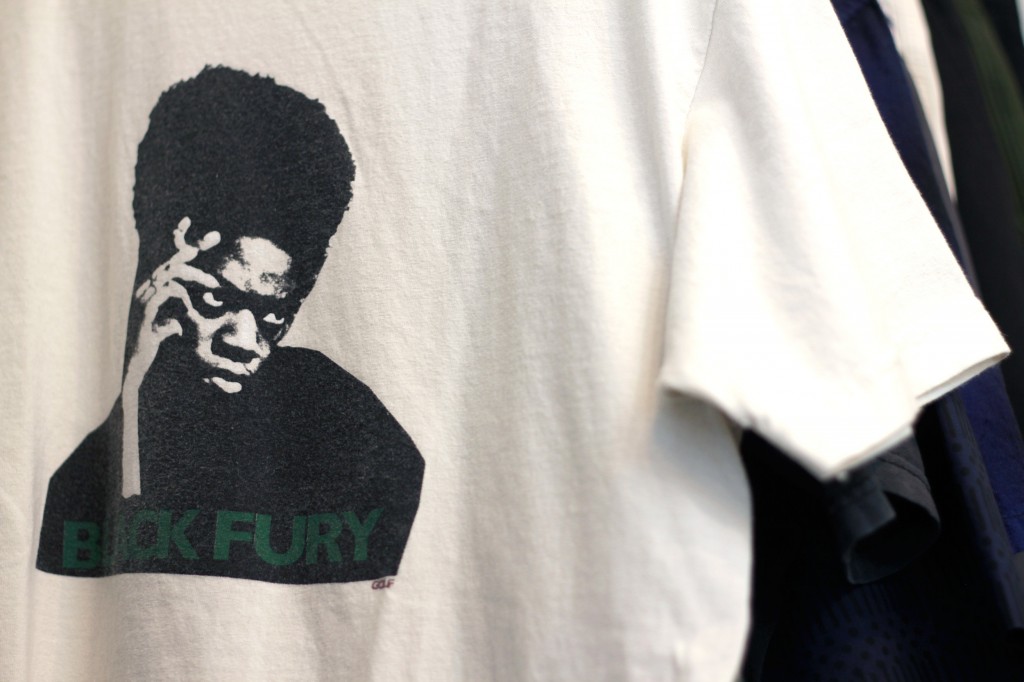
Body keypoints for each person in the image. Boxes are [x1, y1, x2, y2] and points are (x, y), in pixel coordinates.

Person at [36, 66, 425, 585]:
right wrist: (135, 390)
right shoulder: (78, 467)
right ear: (158, 269)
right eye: (216, 298)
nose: (245, 342)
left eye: (274, 315)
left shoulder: (341, 416)